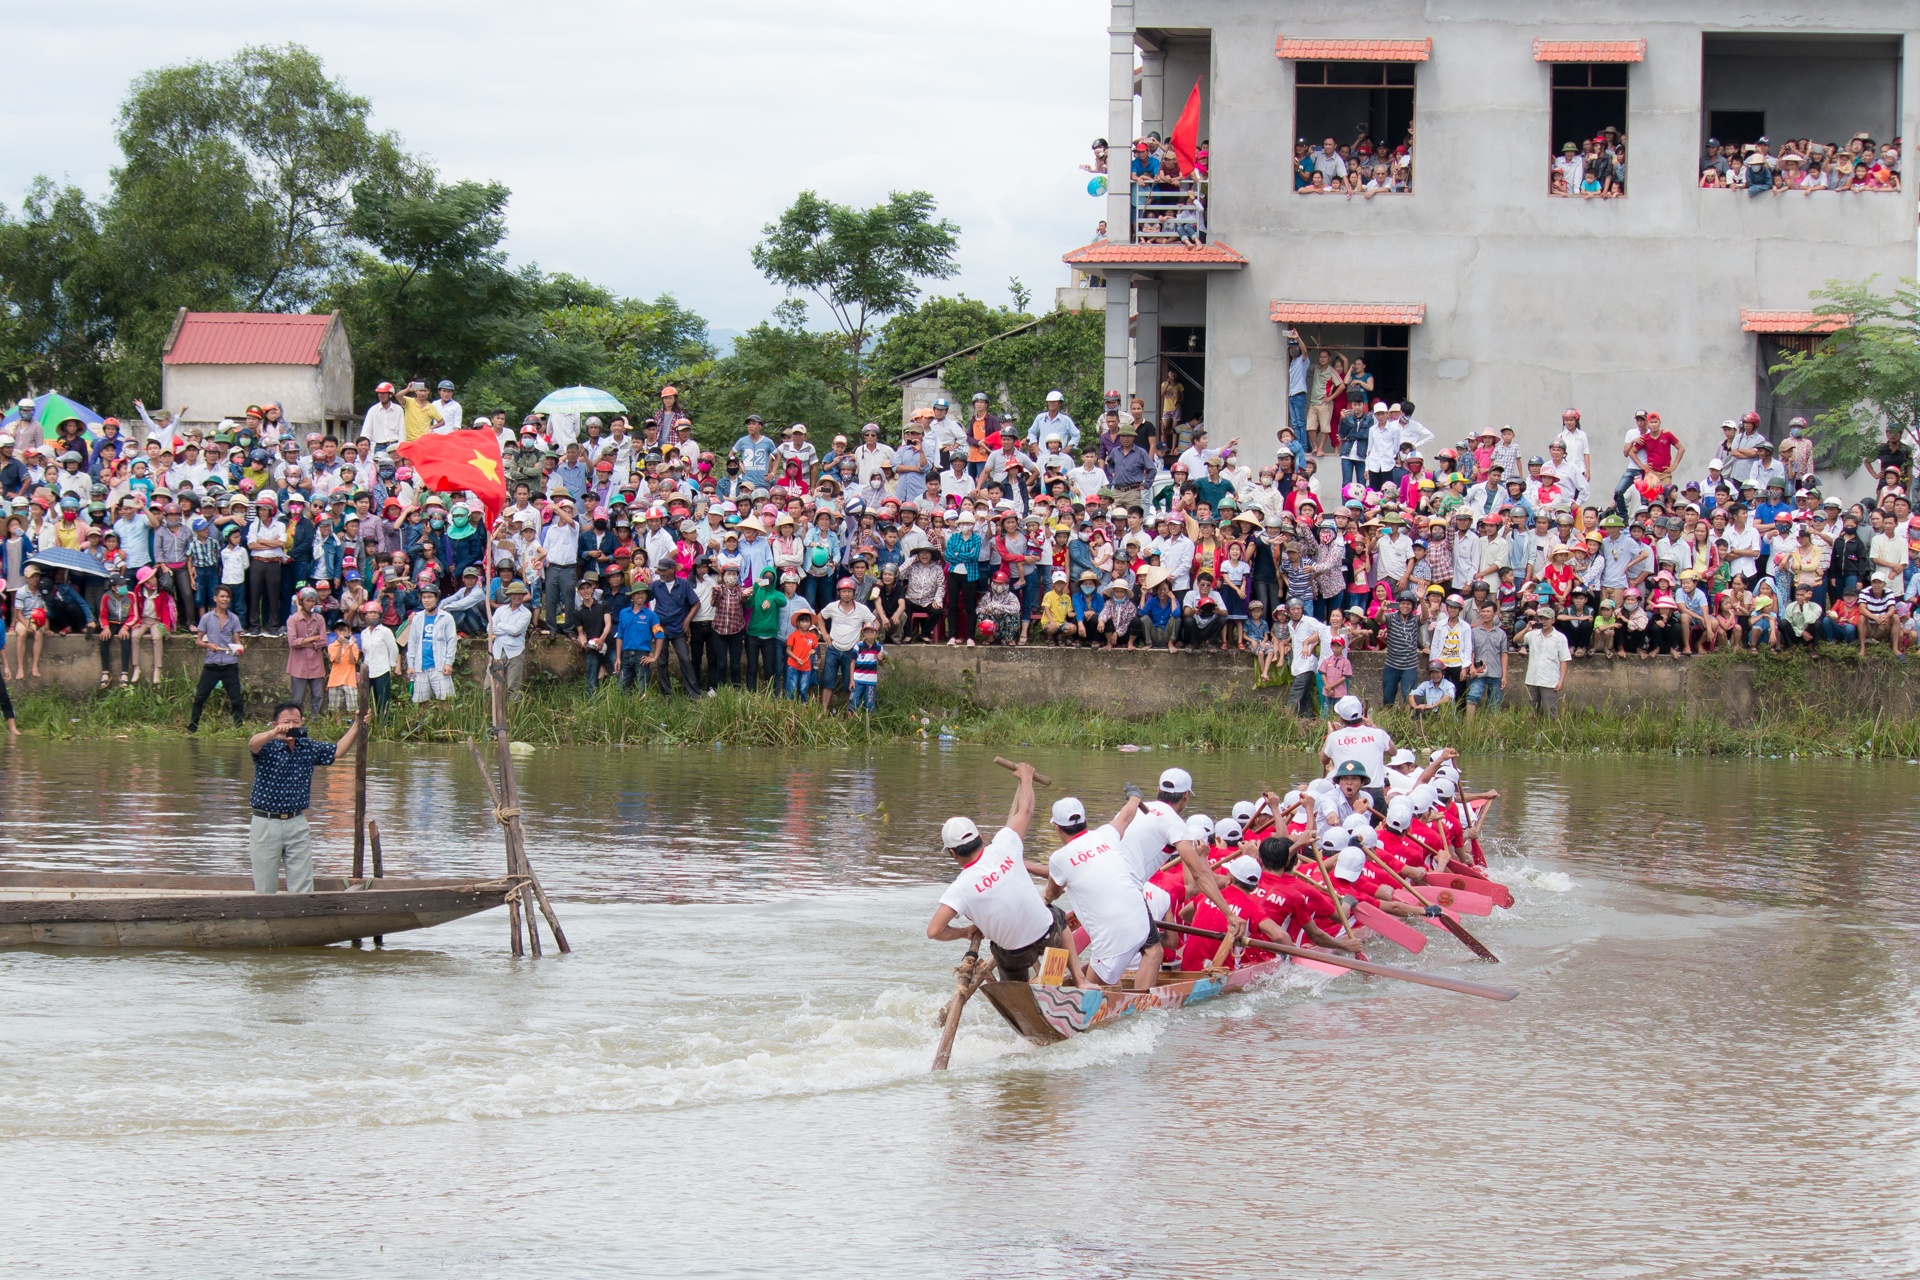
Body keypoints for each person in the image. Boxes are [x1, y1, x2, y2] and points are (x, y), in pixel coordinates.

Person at [926, 762, 1070, 982]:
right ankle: (1062, 980)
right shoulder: (1005, 843)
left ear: (953, 854)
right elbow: (1026, 810)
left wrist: (964, 932)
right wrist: (1026, 778)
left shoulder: (960, 888)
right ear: (981, 837)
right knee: (1058, 917)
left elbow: (934, 931)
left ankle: (1017, 994)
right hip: (1046, 935)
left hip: (1014, 954)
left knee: (1008, 965)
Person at [246, 699, 367, 893]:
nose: (291, 726)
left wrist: (357, 724)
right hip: (267, 823)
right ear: (276, 724)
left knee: (303, 885)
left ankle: (300, 919)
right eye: (286, 722)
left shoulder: (307, 746)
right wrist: (273, 734)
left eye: (296, 722)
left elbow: (337, 751)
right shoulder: (267, 747)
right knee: (264, 886)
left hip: (296, 821)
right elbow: (252, 744)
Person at [1043, 791, 1161, 990]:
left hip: (1112, 939)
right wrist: (1135, 796)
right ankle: (1141, 999)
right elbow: (1127, 815)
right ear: (1085, 820)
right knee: (1153, 950)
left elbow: (1051, 893)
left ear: (1057, 828)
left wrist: (1044, 899)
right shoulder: (1106, 834)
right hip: (1141, 922)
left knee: (1090, 995)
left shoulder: (1059, 858)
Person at [187, 585, 246, 732]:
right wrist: (209, 646)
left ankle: (239, 729)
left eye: (227, 597)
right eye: (222, 596)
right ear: (215, 598)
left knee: (236, 699)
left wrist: (239, 648)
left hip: (229, 664)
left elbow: (237, 641)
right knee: (200, 697)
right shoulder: (207, 618)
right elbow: (198, 641)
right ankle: (192, 729)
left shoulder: (233, 618)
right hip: (212, 664)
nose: (225, 599)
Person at [402, 583, 457, 702]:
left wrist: (449, 662)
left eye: (430, 597)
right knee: (420, 702)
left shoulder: (446, 617)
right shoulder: (417, 618)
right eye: (424, 597)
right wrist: (410, 665)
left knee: (446, 700)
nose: (426, 600)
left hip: (439, 666)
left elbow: (452, 641)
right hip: (420, 666)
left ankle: (444, 721)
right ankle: (423, 722)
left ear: (437, 598)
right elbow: (412, 642)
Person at [285, 586, 329, 718]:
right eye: (308, 601)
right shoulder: (293, 619)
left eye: (312, 601)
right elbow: (293, 642)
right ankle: (297, 721)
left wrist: (304, 642)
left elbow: (322, 641)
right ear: (301, 601)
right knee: (297, 698)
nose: (310, 604)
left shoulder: (319, 619)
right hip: (298, 664)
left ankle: (315, 720)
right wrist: (312, 639)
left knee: (318, 695)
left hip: (315, 663)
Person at [1521, 607, 1572, 714]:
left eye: (1546, 619)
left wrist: (1561, 680)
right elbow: (1517, 640)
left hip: (1549, 680)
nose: (1543, 621)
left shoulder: (1560, 637)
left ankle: (1553, 730)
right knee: (1529, 712)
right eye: (1541, 618)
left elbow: (1564, 660)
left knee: (1551, 712)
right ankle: (1531, 729)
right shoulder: (1533, 634)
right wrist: (1527, 629)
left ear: (1553, 620)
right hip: (1532, 679)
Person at [616, 583, 663, 692]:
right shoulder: (623, 613)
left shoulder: (651, 615)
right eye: (637, 593)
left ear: (646, 596)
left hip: (642, 656)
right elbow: (620, 636)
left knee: (642, 689)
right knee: (620, 688)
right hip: (626, 655)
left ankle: (641, 708)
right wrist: (618, 658)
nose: (640, 596)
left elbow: (659, 636)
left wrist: (655, 657)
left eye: (643, 593)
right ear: (632, 596)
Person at [489, 578, 533, 693]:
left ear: (523, 596)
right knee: (489, 686)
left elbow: (516, 631)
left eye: (520, 594)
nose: (517, 597)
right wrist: (509, 628)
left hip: (515, 652)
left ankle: (514, 711)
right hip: (497, 651)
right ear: (510, 595)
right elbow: (489, 628)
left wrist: (501, 625)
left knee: (513, 688)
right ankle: (488, 711)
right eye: (514, 594)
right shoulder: (501, 610)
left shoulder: (526, 613)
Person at [356, 601, 399, 715]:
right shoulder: (364, 633)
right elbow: (365, 652)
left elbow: (393, 649)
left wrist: (392, 665)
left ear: (380, 615)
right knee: (369, 701)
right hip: (368, 671)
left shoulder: (385, 631)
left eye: (376, 613)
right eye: (370, 613)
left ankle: (384, 726)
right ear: (365, 615)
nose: (373, 615)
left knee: (383, 701)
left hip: (382, 670)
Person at [848, 621, 884, 713]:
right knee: (854, 701)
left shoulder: (879, 647)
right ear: (863, 633)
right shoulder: (858, 646)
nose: (869, 634)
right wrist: (852, 680)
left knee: (870, 703)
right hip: (858, 679)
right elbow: (852, 662)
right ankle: (850, 722)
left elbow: (881, 664)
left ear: (876, 634)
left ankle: (869, 723)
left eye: (872, 632)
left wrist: (880, 659)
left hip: (871, 680)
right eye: (867, 632)